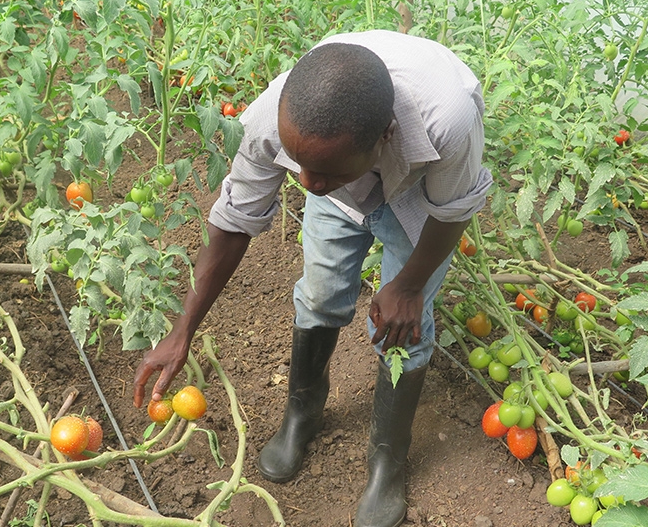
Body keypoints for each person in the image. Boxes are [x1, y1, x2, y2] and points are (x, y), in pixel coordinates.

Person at [133, 29, 492, 527]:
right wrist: (182, 330)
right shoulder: (274, 125)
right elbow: (234, 222)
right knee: (321, 293)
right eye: (298, 164)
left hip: (418, 194)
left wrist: (408, 285)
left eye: (320, 170)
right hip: (348, 185)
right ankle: (304, 410)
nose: (305, 183)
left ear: (384, 137)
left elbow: (454, 210)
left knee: (404, 328)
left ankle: (388, 456)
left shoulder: (446, 122)